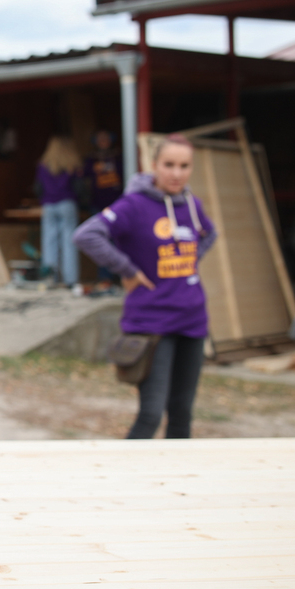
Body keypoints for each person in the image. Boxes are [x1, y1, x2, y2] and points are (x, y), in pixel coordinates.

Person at [73, 133, 217, 439]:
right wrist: (128, 270)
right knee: (151, 414)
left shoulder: (192, 204)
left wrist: (190, 260)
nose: (177, 173)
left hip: (192, 319)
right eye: (169, 164)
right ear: (153, 164)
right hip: (151, 321)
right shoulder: (134, 205)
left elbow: (210, 233)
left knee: (182, 414)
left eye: (184, 166)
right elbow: (86, 235)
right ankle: (127, 471)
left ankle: (177, 471)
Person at [34, 136, 82, 288]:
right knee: (69, 242)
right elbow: (79, 187)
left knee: (49, 241)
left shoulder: (43, 165)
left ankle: (50, 279)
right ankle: (70, 280)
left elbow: (38, 188)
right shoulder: (71, 165)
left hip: (48, 205)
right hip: (67, 203)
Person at [82, 130, 123, 284]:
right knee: (101, 242)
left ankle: (123, 275)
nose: (103, 142)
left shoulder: (119, 157)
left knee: (119, 240)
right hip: (97, 205)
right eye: (100, 139)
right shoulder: (91, 159)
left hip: (117, 205)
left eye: (106, 139)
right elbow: (82, 178)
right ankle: (105, 278)